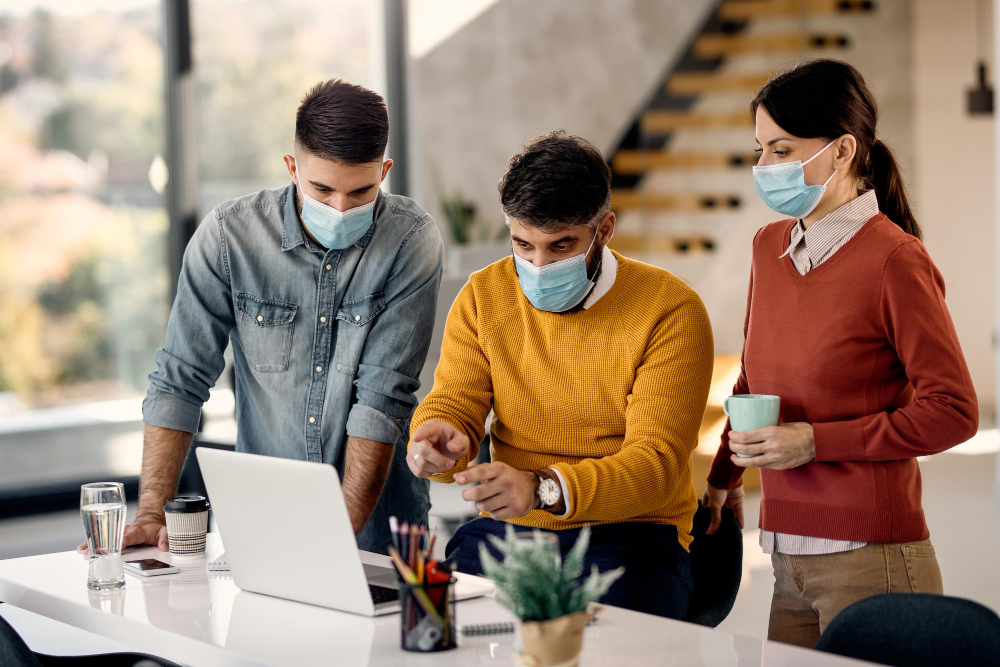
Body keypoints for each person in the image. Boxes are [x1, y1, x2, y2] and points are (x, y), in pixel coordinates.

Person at [79, 79, 443, 555]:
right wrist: (151, 511)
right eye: (322, 188)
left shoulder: (410, 241)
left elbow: (381, 399)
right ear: (292, 167)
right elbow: (179, 381)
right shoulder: (229, 238)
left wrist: (334, 542)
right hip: (264, 516)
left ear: (384, 172)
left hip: (380, 526)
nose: (340, 209)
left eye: (361, 191)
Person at [703, 59, 979, 647]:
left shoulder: (895, 261)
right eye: (760, 150)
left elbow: (954, 412)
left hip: (873, 555)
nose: (765, 167)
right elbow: (752, 383)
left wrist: (815, 441)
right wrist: (723, 477)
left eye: (782, 150)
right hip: (785, 555)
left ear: (843, 151)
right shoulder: (768, 247)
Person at [406, 130, 714, 619]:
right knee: (441, 623)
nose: (539, 265)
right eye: (523, 245)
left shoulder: (669, 309)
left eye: (561, 246)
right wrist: (440, 435)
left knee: (599, 641)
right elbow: (455, 401)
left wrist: (541, 487)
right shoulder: (483, 297)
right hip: (514, 529)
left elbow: (656, 466)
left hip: (632, 535)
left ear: (604, 229)